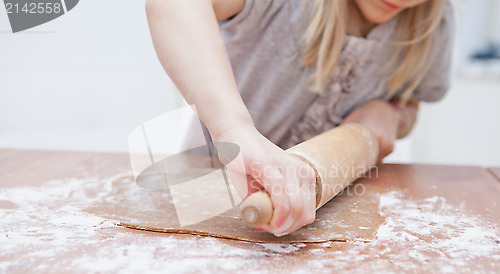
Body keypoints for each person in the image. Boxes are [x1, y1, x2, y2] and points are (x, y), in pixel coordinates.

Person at [145, 0, 455, 236]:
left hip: (331, 210)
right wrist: (233, 128)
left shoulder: (433, 22)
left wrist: (393, 116)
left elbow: (411, 102)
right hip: (208, 193)